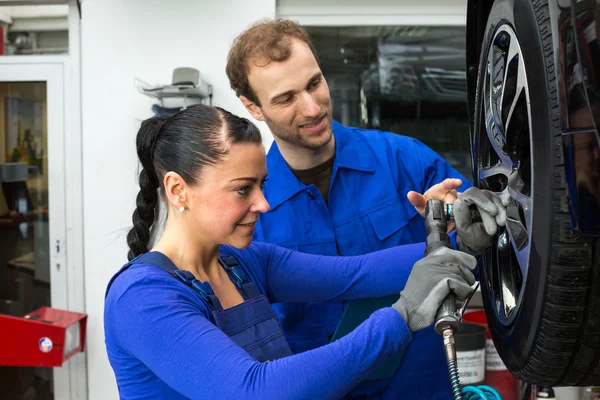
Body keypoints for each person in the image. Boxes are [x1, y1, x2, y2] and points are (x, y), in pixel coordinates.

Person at [103, 104, 478, 399]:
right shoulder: (142, 298)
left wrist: (465, 240)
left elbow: (355, 274)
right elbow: (255, 390)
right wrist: (400, 317)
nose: (264, 203)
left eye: (261, 185)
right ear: (178, 189)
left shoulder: (244, 264)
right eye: (242, 189)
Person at [226, 18, 508, 399]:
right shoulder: (250, 208)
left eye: (314, 83)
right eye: (286, 98)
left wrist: (460, 224)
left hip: (421, 386)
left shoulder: (403, 160)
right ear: (252, 107)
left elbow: (486, 235)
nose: (311, 108)